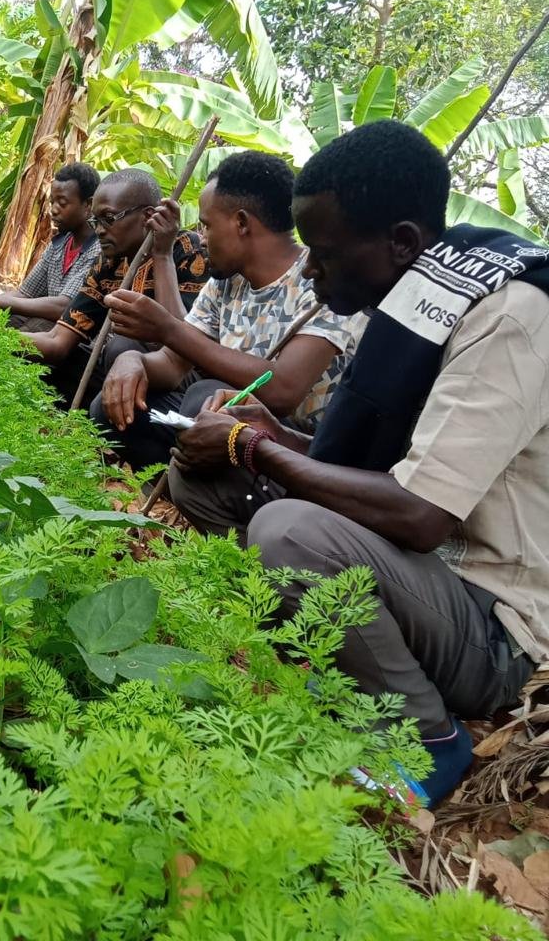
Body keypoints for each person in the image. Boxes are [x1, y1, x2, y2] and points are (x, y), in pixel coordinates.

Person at [167, 120, 547, 805]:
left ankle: (427, 739)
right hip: (412, 568)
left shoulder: (507, 316)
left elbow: (423, 513)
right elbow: (375, 466)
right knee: (199, 477)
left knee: (287, 533)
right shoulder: (411, 298)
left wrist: (254, 447)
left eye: (323, 252)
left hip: (487, 617)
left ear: (401, 242)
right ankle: (337, 651)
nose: (309, 270)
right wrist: (272, 436)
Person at [91, 151, 366, 470]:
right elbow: (172, 362)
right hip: (232, 426)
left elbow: (282, 391)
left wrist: (168, 328)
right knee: (109, 407)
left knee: (204, 396)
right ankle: (184, 500)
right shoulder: (226, 281)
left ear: (241, 223)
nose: (201, 238)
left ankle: (234, 507)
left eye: (206, 226)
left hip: (300, 449)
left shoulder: (321, 280)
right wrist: (131, 360)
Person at [22, 168, 210, 406]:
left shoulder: (187, 250)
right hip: (120, 372)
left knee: (121, 345)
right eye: (95, 221)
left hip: (181, 386)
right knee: (58, 360)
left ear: (148, 216)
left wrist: (162, 255)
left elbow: (180, 348)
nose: (99, 230)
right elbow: (58, 342)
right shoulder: (109, 261)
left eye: (109, 219)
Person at [0, 162, 101, 332]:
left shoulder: (99, 250)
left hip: (75, 331)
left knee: (27, 331)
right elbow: (26, 293)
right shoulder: (59, 243)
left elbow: (64, 306)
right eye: (52, 202)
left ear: (88, 204)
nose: (53, 210)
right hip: (53, 320)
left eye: (62, 203)